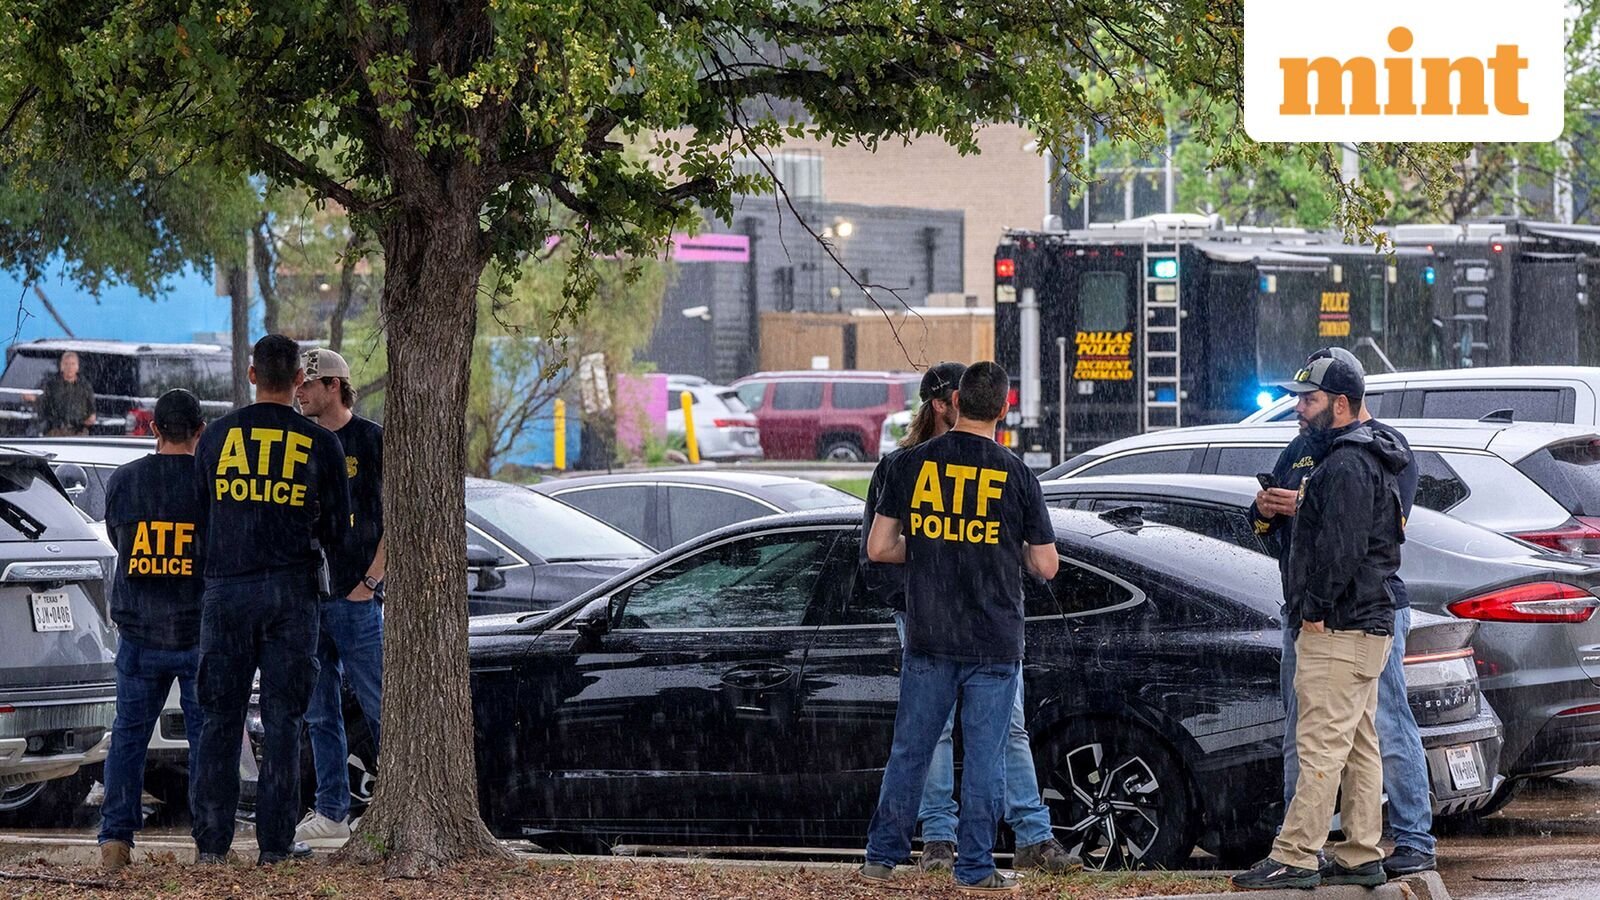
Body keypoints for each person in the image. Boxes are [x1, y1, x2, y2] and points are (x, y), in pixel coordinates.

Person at [860, 361, 1078, 876]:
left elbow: (878, 548)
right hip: (995, 640)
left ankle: (882, 858)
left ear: (954, 400)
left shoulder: (908, 465)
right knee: (986, 758)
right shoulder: (1017, 475)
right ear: (1004, 408)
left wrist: (937, 539)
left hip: (930, 633)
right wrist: (1004, 547)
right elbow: (1047, 565)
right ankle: (976, 869)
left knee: (911, 752)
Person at [1252, 347, 1436, 877]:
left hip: (1345, 617)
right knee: (1343, 739)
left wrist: (1315, 608)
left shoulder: (1366, 455)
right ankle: (1353, 852)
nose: (1299, 409)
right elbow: (1285, 535)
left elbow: (1353, 542)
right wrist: (1266, 512)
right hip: (1322, 613)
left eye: (1309, 400)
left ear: (1340, 403)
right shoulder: (1310, 450)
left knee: (1343, 737)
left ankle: (1310, 855)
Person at [191, 335, 352, 866]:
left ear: (252, 374)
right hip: (292, 594)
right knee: (285, 720)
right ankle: (275, 845)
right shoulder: (322, 444)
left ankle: (212, 845)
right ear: (300, 383)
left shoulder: (215, 438)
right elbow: (337, 530)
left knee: (220, 717)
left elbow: (197, 520)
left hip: (228, 590)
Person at [97, 390, 209, 871]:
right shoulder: (209, 484)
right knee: (207, 737)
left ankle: (115, 841)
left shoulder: (124, 481)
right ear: (200, 432)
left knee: (128, 736)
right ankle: (210, 839)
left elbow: (117, 536)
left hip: (140, 630)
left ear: (153, 429)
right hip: (196, 629)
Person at [292, 348, 385, 848]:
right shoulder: (301, 443)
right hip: (310, 597)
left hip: (355, 599)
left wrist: (369, 582)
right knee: (319, 710)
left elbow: (397, 520)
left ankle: (393, 801)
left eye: (308, 385)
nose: (299, 393)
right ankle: (331, 809)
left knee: (378, 704)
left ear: (334, 386)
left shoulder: (370, 440)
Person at [37, 350, 96, 436]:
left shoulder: (85, 386)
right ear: (61, 366)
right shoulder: (52, 385)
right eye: (66, 364)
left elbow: (92, 411)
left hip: (79, 433)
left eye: (73, 364)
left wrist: (89, 419)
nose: (70, 367)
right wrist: (34, 399)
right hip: (55, 432)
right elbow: (43, 407)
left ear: (77, 367)